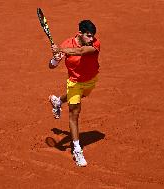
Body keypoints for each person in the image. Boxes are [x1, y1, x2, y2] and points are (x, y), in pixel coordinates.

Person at [48, 20, 100, 167]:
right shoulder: (66, 44)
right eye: (88, 36)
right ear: (79, 34)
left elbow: (81, 51)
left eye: (93, 36)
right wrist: (55, 58)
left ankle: (58, 101)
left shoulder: (95, 44)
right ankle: (77, 150)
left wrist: (61, 50)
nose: (92, 39)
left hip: (91, 81)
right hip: (74, 82)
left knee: (82, 95)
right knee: (74, 112)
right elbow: (51, 66)